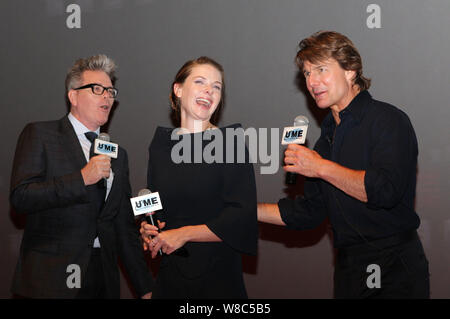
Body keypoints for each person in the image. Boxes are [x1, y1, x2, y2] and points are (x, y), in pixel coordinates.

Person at [258, 31, 430, 298]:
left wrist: (320, 168)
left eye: (320, 70)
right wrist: (245, 209)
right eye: (306, 73)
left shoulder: (388, 120)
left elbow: (384, 190)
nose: (311, 81)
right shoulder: (325, 142)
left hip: (394, 267)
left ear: (351, 70)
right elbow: (308, 213)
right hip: (348, 269)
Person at [10, 54, 153, 298]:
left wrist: (145, 289)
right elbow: (21, 198)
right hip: (51, 279)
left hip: (102, 279)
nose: (107, 96)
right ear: (73, 96)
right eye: (98, 89)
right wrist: (81, 178)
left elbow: (123, 227)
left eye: (110, 90)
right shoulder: (41, 134)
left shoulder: (119, 155)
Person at [139, 56, 257, 298]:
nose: (209, 90)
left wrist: (184, 234)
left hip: (218, 279)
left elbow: (241, 218)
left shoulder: (230, 143)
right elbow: (157, 209)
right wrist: (148, 229)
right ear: (178, 89)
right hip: (170, 278)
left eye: (216, 87)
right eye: (201, 81)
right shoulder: (161, 146)